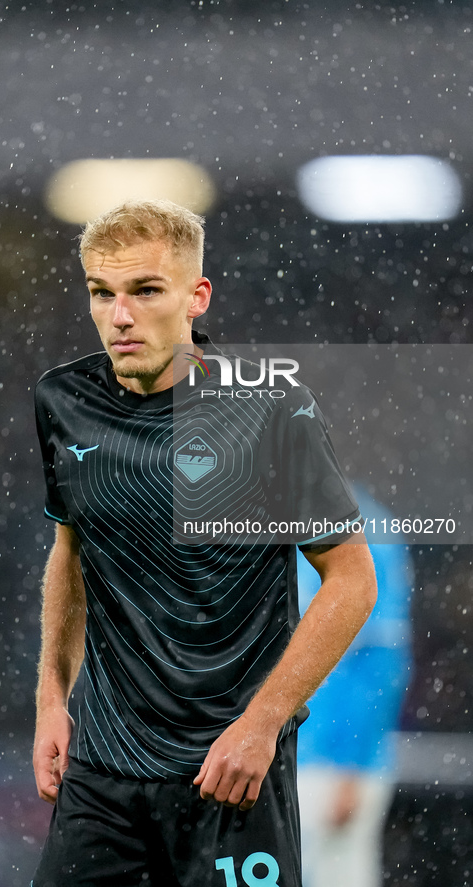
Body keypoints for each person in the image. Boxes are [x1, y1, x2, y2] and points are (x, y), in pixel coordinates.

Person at [30, 199, 377, 887]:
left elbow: (352, 580)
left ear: (196, 296)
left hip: (229, 768)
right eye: (102, 292)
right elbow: (73, 549)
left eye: (144, 290)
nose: (119, 315)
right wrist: (50, 699)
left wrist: (263, 722)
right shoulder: (62, 400)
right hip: (102, 770)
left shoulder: (268, 411)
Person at [296, 489, 413, 887]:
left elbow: (382, 662)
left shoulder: (364, 525)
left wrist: (351, 766)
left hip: (326, 765)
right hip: (284, 758)